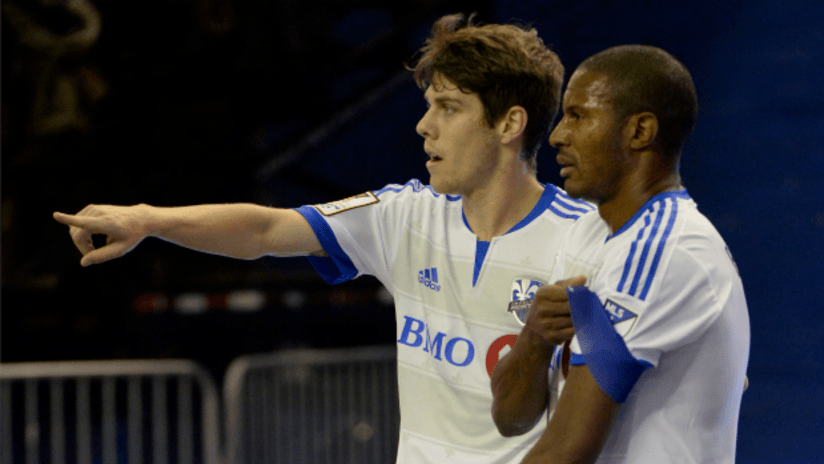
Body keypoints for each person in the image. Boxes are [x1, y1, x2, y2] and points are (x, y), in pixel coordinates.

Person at [54, 14, 595, 463]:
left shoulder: (583, 241)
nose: (423, 126)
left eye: (449, 108)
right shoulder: (404, 215)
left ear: (509, 124)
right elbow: (267, 228)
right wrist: (149, 220)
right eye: (429, 105)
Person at [490, 45, 750, 463]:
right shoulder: (589, 234)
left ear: (640, 132)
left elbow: (569, 449)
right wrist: (535, 338)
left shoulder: (662, 250)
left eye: (578, 115)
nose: (557, 134)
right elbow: (511, 419)